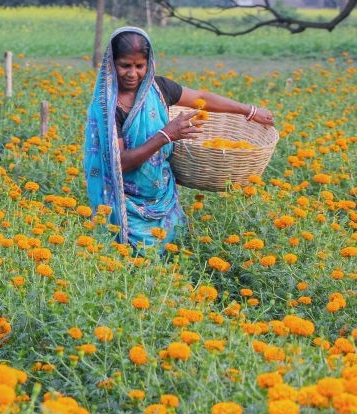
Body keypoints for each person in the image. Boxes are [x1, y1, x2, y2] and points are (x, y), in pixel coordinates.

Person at [83, 26, 275, 249]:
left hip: (163, 199)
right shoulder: (107, 109)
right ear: (111, 64)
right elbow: (120, 163)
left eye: (139, 66)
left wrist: (249, 111)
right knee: (133, 263)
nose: (132, 73)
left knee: (178, 256)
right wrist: (166, 135)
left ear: (149, 64)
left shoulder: (159, 89)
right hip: (126, 206)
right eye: (125, 65)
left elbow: (201, 97)